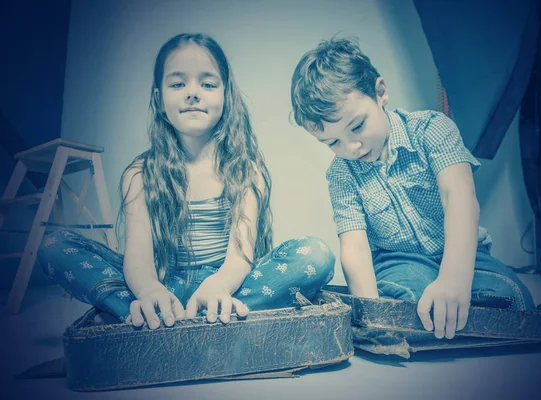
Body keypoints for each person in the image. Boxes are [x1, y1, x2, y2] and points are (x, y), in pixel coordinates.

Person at [38, 33, 335, 329]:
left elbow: (240, 256)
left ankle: (140, 324)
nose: (192, 93)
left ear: (225, 95)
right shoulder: (140, 173)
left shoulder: (246, 170)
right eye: (178, 84)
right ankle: (155, 314)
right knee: (53, 245)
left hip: (224, 289)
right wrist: (149, 291)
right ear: (159, 98)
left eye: (207, 84)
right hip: (162, 288)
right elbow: (138, 260)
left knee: (317, 256)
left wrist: (219, 285)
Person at [290, 36, 534, 340]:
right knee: (406, 303)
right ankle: (429, 317)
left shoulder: (432, 129)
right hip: (399, 262)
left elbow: (459, 198)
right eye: (333, 142)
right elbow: (355, 248)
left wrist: (454, 279)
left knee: (514, 299)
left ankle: (444, 314)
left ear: (380, 93)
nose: (351, 147)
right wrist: (372, 314)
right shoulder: (341, 174)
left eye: (357, 126)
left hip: (462, 254)